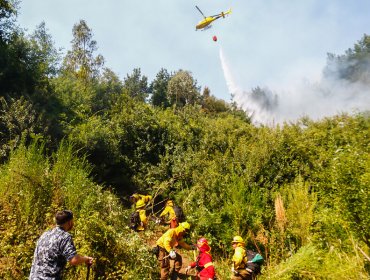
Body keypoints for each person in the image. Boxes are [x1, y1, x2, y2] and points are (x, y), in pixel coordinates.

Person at [29, 210, 93, 280]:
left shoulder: (45, 234)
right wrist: (86, 259)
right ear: (69, 222)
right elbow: (74, 260)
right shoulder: (64, 236)